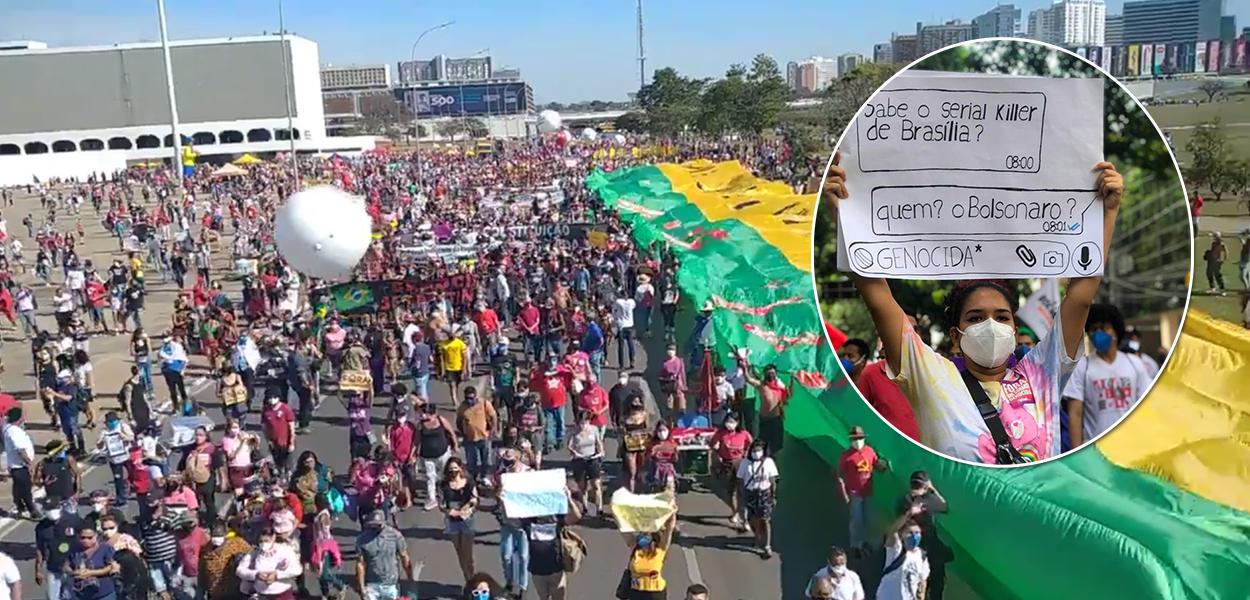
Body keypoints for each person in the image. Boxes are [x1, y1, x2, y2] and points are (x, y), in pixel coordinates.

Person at [824, 151, 1123, 464]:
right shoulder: (931, 376)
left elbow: (1081, 297)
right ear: (955, 336)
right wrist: (847, 220)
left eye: (1002, 317)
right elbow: (877, 296)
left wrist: (1107, 212)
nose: (990, 325)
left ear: (1014, 328)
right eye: (976, 318)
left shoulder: (1042, 371)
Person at [1062, 304, 1151, 448]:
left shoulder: (1134, 363)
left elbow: (1147, 405)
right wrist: (1077, 456)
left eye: (1103, 328)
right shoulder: (1082, 367)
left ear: (1115, 331)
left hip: (1132, 446)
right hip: (1096, 452)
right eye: (1093, 329)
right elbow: (1075, 413)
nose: (1098, 333)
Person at [896, 472, 949, 600]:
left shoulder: (910, 500)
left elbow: (944, 506)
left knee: (927, 579)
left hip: (921, 545)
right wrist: (933, 489)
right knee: (929, 579)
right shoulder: (920, 501)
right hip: (921, 545)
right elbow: (944, 506)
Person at [523, 487, 582, 600]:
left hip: (556, 568)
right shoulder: (528, 519)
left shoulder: (555, 517)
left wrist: (569, 499)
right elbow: (510, 518)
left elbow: (576, 516)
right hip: (537, 570)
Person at [837, 426, 888, 557]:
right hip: (855, 492)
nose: (857, 441)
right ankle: (855, 546)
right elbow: (840, 476)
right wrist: (844, 493)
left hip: (868, 491)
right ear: (850, 440)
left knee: (869, 518)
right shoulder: (846, 456)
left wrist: (882, 465)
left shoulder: (869, 451)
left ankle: (866, 543)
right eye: (855, 439)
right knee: (856, 520)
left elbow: (876, 464)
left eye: (859, 438)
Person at [355, 509, 412, 600]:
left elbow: (404, 556)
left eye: (378, 525)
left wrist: (410, 578)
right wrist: (361, 587)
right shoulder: (362, 539)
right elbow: (360, 564)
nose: (376, 527)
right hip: (371, 585)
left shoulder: (395, 536)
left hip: (390, 584)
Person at [876, 508, 930, 600]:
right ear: (902, 534)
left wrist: (921, 595)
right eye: (910, 533)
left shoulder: (921, 556)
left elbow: (923, 579)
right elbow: (892, 531)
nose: (914, 536)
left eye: (917, 533)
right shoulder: (896, 549)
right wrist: (908, 514)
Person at [739, 359, 790, 455]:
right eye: (769, 373)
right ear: (765, 374)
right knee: (763, 442)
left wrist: (792, 380)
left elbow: (789, 394)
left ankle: (773, 460)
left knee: (776, 444)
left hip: (776, 419)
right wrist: (744, 368)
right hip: (764, 419)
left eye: (773, 373)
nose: (771, 375)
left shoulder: (781, 387)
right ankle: (761, 457)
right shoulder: (762, 385)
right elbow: (749, 379)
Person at [737, 439, 779, 558]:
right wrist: (741, 496)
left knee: (765, 519)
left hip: (764, 494)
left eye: (759, 450)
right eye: (754, 450)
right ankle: (757, 535)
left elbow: (772, 480)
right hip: (750, 493)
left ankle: (767, 545)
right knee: (752, 519)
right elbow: (740, 479)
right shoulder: (745, 463)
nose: (756, 453)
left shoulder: (768, 462)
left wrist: (773, 495)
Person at [235, 528, 303, 600]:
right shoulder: (254, 552)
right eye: (261, 541)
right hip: (261, 594)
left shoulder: (285, 550)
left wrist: (277, 575)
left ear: (273, 537)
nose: (263, 544)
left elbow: (297, 569)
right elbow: (239, 570)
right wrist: (256, 574)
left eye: (266, 541)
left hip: (282, 593)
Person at [622, 512, 677, 600]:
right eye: (641, 533)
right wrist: (617, 513)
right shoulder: (635, 549)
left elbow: (669, 530)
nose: (641, 536)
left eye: (645, 534)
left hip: (655, 593)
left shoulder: (660, 550)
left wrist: (672, 513)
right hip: (636, 592)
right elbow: (623, 529)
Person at [441, 457, 479, 583]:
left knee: (467, 554)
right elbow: (441, 503)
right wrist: (450, 512)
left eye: (455, 470)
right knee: (460, 553)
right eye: (450, 470)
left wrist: (466, 510)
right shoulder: (443, 485)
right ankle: (468, 579)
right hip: (452, 523)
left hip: (466, 521)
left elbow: (474, 499)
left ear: (460, 469)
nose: (453, 473)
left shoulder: (469, 482)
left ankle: (472, 578)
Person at [710, 413, 751, 529]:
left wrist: (746, 454)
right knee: (728, 492)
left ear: (737, 423)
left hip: (740, 464)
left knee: (741, 493)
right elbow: (712, 444)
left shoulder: (743, 434)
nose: (730, 424)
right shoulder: (721, 433)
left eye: (733, 422)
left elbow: (751, 444)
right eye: (728, 421)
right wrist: (717, 452)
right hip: (726, 464)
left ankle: (745, 519)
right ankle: (735, 511)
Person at [36, 500, 84, 600]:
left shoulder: (73, 520)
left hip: (74, 567)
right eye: (49, 509)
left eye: (54, 508)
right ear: (44, 511)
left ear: (60, 508)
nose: (52, 511)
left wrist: (83, 562)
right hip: (53, 568)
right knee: (52, 597)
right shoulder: (41, 528)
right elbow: (40, 549)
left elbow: (85, 538)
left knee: (74, 596)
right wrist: (38, 570)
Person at [417, 401, 457, 510]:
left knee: (445, 475)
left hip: (442, 453)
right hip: (427, 456)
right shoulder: (420, 425)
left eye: (425, 413)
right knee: (430, 477)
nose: (423, 415)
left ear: (433, 414)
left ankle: (445, 495)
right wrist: (414, 454)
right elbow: (417, 440)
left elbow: (451, 432)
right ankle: (432, 499)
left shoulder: (441, 420)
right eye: (422, 413)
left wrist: (455, 445)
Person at [3, 407, 42, 519]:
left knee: (18, 488)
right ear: (19, 418)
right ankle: (32, 511)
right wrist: (30, 464)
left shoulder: (9, 428)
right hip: (20, 466)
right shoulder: (15, 432)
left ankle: (20, 507)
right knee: (25, 489)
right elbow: (21, 451)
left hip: (16, 465)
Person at [456, 386, 498, 486]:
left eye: (472, 398)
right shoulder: (462, 407)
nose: (470, 400)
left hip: (484, 437)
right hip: (470, 439)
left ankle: (484, 477)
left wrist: (493, 430)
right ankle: (472, 480)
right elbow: (458, 420)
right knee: (471, 462)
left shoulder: (484, 403)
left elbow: (493, 416)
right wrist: (463, 433)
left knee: (486, 460)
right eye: (467, 398)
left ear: (476, 396)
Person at [198, 522, 252, 600]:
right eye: (215, 535)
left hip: (235, 589)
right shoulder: (206, 549)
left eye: (219, 535)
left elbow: (252, 555)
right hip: (216, 592)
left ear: (225, 534)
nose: (216, 538)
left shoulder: (237, 543)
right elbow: (202, 571)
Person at [65, 523, 119, 600]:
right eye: (83, 538)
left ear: (96, 535)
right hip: (81, 593)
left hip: (103, 593)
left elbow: (111, 567)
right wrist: (73, 572)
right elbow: (66, 564)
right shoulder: (74, 549)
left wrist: (91, 573)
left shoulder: (105, 548)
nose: (86, 540)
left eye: (90, 538)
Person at [567, 410, 605, 514]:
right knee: (582, 486)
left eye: (585, 423)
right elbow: (570, 445)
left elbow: (598, 442)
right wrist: (575, 453)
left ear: (589, 422)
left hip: (592, 458)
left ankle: (599, 508)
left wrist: (601, 452)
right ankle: (585, 507)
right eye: (581, 423)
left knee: (596, 484)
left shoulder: (594, 429)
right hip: (580, 459)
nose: (583, 426)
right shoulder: (574, 431)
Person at [442, 331, 470, 404]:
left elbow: (465, 357)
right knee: (452, 385)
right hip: (449, 368)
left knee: (457, 384)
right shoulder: (444, 344)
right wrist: (442, 370)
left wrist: (464, 369)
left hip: (459, 367)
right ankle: (454, 400)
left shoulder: (460, 344)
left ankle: (456, 396)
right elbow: (442, 358)